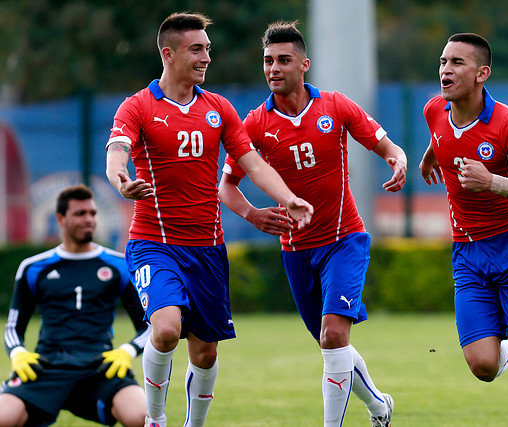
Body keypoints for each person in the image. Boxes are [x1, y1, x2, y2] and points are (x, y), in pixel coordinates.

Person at [105, 12, 313, 427]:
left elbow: (252, 165)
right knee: (165, 329)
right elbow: (116, 153)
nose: (206, 58)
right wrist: (121, 182)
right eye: (196, 50)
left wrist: (288, 198)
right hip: (154, 243)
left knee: (206, 352)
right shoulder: (139, 106)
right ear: (169, 54)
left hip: (208, 248)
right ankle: (156, 419)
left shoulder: (219, 108)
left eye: (208, 50)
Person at [218, 21, 405, 427]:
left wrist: (398, 159)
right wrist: (252, 214)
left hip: (345, 241)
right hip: (296, 251)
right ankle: (378, 405)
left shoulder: (335, 106)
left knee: (335, 336)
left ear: (305, 64)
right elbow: (226, 187)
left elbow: (385, 144)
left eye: (284, 60)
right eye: (268, 61)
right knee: (330, 345)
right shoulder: (254, 124)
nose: (274, 68)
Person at [419, 33, 508, 425]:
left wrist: (494, 182)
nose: (446, 70)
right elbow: (442, 134)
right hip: (468, 252)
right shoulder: (434, 110)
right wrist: (430, 158)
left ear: (482, 74)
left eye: (457, 63)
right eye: (443, 62)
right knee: (482, 365)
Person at [0, 184, 150, 427]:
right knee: (3, 418)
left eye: (92, 213)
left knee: (143, 417)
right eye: (80, 214)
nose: (89, 219)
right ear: (60, 218)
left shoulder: (119, 265)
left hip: (100, 367)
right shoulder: (33, 267)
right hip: (47, 366)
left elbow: (149, 326)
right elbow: (13, 327)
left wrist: (127, 351)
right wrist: (18, 353)